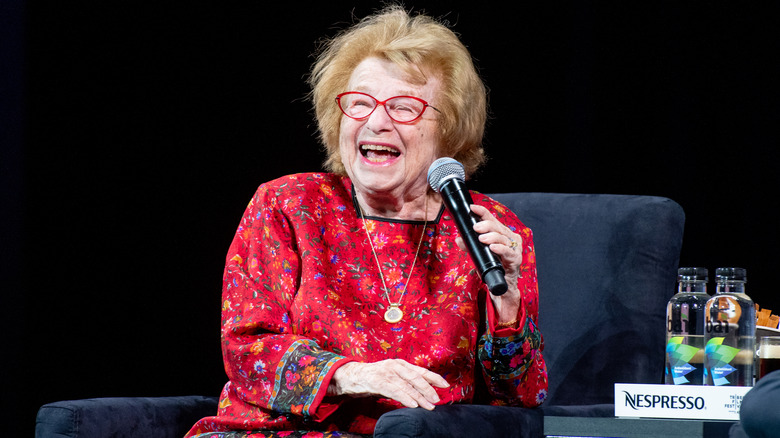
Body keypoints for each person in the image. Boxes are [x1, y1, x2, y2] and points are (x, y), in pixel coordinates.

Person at [185, 5, 548, 437]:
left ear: (447, 130)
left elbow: (520, 401)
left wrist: (507, 307)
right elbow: (247, 349)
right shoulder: (289, 204)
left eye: (403, 108)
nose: (376, 122)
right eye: (359, 104)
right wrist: (351, 374)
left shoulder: (490, 229)